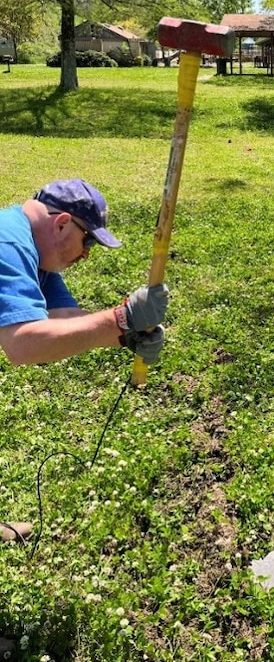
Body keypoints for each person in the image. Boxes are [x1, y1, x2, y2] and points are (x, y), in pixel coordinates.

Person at [0, 178, 169, 547]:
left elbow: (64, 318)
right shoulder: (8, 243)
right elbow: (22, 345)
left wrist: (127, 335)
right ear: (62, 224)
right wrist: (120, 320)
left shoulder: (36, 252)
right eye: (88, 240)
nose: (86, 254)